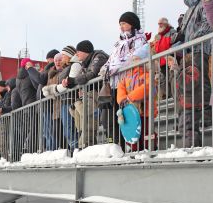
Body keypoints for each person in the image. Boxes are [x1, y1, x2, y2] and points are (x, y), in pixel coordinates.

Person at [100, 12, 147, 146]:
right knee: (108, 119)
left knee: (126, 117)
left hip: (128, 84)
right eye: (120, 24)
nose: (121, 27)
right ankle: (114, 146)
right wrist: (104, 68)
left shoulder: (139, 40)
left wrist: (114, 68)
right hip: (113, 85)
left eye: (124, 23)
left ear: (132, 24)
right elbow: (110, 60)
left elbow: (133, 59)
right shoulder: (117, 43)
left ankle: (127, 147)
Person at [176, 0, 213, 147]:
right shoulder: (188, 11)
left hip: (199, 51)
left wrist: (189, 42)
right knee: (186, 97)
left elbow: (208, 24)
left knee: (194, 95)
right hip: (187, 55)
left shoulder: (204, 2)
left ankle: (193, 141)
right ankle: (190, 140)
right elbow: (183, 35)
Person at [65, 40, 108, 149]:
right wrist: (69, 82)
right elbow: (80, 78)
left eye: (78, 51)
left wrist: (72, 81)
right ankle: (85, 148)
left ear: (85, 51)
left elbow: (91, 74)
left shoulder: (99, 57)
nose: (76, 54)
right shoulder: (86, 63)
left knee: (93, 123)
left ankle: (86, 147)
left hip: (103, 94)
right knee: (83, 124)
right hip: (94, 95)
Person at [117, 44, 158, 151]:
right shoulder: (127, 76)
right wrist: (123, 99)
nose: (134, 61)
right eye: (134, 59)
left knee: (146, 132)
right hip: (131, 112)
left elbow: (148, 86)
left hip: (146, 111)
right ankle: (135, 152)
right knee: (133, 134)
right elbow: (121, 88)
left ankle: (150, 150)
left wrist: (130, 97)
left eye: (137, 59)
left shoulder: (149, 74)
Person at [154, 18, 178, 99]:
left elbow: (173, 41)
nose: (159, 25)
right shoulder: (158, 35)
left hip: (170, 58)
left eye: (161, 23)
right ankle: (169, 96)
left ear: (165, 23)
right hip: (161, 62)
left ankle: (175, 96)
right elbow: (156, 48)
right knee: (164, 81)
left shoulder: (172, 31)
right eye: (158, 23)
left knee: (172, 78)